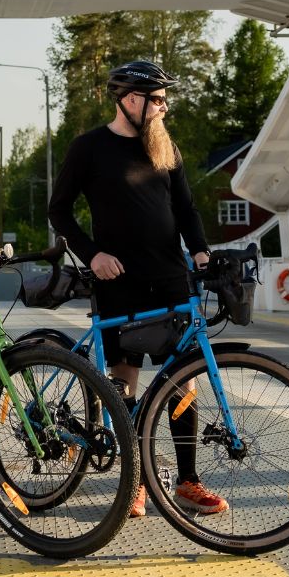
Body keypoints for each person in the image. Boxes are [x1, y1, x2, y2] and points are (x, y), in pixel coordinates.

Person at [47, 59, 229, 519]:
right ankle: (135, 483)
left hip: (170, 277)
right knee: (124, 381)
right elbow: (60, 212)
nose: (164, 108)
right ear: (130, 100)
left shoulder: (166, 148)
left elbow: (185, 209)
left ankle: (186, 480)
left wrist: (202, 252)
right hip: (119, 280)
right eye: (158, 100)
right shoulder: (88, 148)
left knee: (182, 381)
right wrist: (93, 255)